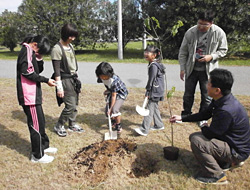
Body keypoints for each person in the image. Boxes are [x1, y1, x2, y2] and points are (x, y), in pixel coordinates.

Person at [170, 69, 250, 185]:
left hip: (237, 151)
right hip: (233, 144)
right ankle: (224, 162)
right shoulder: (222, 99)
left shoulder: (226, 110)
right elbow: (205, 114)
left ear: (217, 90)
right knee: (200, 137)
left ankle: (216, 175)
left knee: (197, 140)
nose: (206, 86)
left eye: (209, 84)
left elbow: (210, 133)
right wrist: (182, 118)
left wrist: (203, 125)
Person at [178, 10, 228, 127]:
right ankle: (186, 115)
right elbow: (183, 52)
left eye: (204, 24)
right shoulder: (191, 32)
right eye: (199, 23)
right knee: (188, 94)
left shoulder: (219, 32)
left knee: (206, 96)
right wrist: (182, 68)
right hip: (192, 69)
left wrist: (211, 56)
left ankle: (203, 117)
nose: (201, 26)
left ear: (211, 23)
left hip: (208, 71)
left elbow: (223, 50)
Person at [16, 35, 58, 163]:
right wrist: (46, 80)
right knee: (35, 125)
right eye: (39, 51)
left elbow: (37, 70)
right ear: (34, 44)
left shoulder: (32, 52)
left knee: (41, 121)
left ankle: (44, 147)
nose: (38, 53)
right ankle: (37, 156)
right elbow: (27, 72)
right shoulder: (27, 50)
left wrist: (39, 58)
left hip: (34, 94)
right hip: (29, 95)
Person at [51, 23, 84, 137]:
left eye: (74, 36)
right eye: (71, 36)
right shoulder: (56, 49)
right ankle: (59, 125)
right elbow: (57, 71)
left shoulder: (70, 47)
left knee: (75, 103)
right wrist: (59, 87)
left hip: (73, 78)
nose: (73, 38)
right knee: (70, 105)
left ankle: (72, 123)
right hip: (64, 80)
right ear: (65, 34)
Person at [134, 45, 166, 136]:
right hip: (158, 89)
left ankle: (144, 129)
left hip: (154, 90)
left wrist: (148, 91)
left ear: (154, 55)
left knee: (149, 109)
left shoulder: (153, 66)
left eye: (148, 52)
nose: (146, 54)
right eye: (145, 52)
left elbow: (151, 80)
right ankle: (159, 125)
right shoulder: (156, 63)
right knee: (154, 107)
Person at [95, 62, 128, 133]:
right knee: (107, 112)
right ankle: (113, 121)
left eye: (105, 76)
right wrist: (108, 90)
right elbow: (108, 85)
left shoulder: (114, 81)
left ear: (109, 74)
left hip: (120, 93)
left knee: (114, 110)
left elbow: (114, 96)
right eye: (102, 76)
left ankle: (118, 125)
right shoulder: (100, 78)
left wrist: (111, 108)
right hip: (112, 91)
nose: (103, 78)